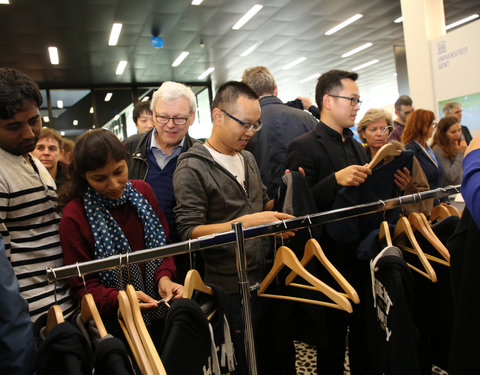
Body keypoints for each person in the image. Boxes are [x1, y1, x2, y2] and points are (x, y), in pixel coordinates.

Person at [173, 81, 295, 375]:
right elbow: (190, 233)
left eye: (256, 126)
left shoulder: (248, 158)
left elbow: (256, 205)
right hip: (227, 288)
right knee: (241, 364)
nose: (250, 133)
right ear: (218, 116)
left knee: (275, 359)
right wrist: (246, 225)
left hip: (264, 280)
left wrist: (273, 218)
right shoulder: (192, 167)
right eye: (245, 124)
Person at [59, 129, 182, 336]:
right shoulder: (75, 215)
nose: (114, 184)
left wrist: (165, 278)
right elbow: (84, 286)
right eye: (99, 178)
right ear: (84, 177)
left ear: (127, 161)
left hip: (162, 313)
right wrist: (121, 299)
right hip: (112, 326)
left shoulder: (143, 192)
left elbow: (163, 249)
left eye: (118, 171)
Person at [0, 67, 74, 322]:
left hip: (62, 304)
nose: (29, 134)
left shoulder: (30, 158)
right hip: (31, 317)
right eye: (13, 126)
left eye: (33, 121)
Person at [124, 81, 199, 284]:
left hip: (188, 258)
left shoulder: (201, 155)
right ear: (153, 115)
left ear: (191, 117)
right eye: (163, 117)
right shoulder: (129, 149)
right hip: (140, 259)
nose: (170, 124)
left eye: (179, 118)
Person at [241, 66, 317, 198]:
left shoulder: (245, 126)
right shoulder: (307, 119)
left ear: (248, 95)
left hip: (264, 206)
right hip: (306, 200)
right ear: (275, 89)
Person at [356, 108, 432, 215]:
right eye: (373, 130)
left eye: (383, 129)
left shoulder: (403, 158)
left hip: (403, 220)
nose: (379, 133)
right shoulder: (358, 159)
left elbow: (424, 193)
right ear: (363, 133)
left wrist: (406, 189)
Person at [402, 109, 444, 192]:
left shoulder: (427, 148)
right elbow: (416, 182)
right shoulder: (410, 150)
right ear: (423, 126)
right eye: (432, 124)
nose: (433, 128)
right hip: (426, 201)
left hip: (438, 199)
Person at [431, 115, 466, 186]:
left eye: (459, 130)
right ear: (443, 134)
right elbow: (451, 176)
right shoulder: (438, 149)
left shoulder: (458, 144)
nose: (457, 134)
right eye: (453, 132)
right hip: (451, 193)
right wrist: (461, 153)